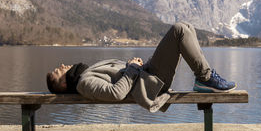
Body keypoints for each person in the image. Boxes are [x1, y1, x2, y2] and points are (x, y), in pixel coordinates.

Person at [47, 22, 236, 112]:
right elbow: (115, 93)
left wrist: (134, 67)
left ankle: (204, 78)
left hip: (146, 73)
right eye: (58, 71)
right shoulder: (84, 83)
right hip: (149, 83)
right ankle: (205, 77)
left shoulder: (86, 74)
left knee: (187, 27)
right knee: (178, 30)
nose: (62, 65)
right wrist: (131, 69)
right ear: (62, 85)